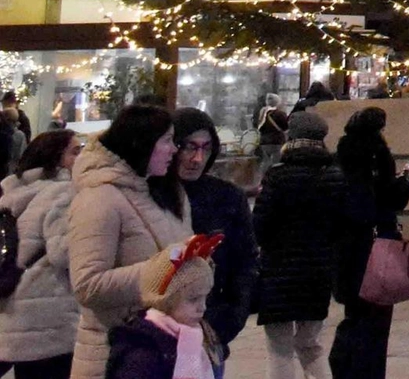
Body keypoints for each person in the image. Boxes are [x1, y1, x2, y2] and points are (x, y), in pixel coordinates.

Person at [67, 105, 189, 379]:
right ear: (141, 143)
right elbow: (87, 285)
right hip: (115, 352)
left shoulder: (164, 192)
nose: (174, 149)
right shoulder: (99, 198)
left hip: (163, 346)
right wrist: (163, 268)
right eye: (167, 140)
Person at [253, 111, 347, 379]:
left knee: (279, 347)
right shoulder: (335, 175)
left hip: (279, 272)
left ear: (290, 136)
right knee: (311, 345)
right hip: (317, 273)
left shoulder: (277, 176)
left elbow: (259, 224)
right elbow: (341, 225)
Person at [329, 108, 409, 379]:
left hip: (348, 248)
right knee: (377, 318)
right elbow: (391, 198)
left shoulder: (342, 155)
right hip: (377, 244)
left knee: (355, 314)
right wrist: (408, 178)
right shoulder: (377, 153)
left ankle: (344, 367)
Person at [169, 109, 258, 355]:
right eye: (189, 147)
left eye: (205, 149)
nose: (197, 158)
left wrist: (230, 318)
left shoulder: (227, 197)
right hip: (154, 331)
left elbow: (245, 262)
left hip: (210, 331)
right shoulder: (151, 195)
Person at [0, 130, 81, 379]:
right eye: (75, 151)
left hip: (15, 307)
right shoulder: (64, 192)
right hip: (51, 319)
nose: (83, 157)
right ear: (56, 158)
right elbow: (62, 254)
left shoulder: (12, 192)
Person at [104, 235, 224, 379]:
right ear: (165, 301)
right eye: (193, 299)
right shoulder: (143, 350)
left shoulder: (195, 335)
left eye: (205, 297)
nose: (203, 307)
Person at [257, 94, 289, 174]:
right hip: (276, 141)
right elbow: (285, 127)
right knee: (276, 163)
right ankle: (274, 179)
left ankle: (262, 178)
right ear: (277, 102)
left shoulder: (262, 113)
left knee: (265, 162)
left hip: (264, 141)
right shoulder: (280, 114)